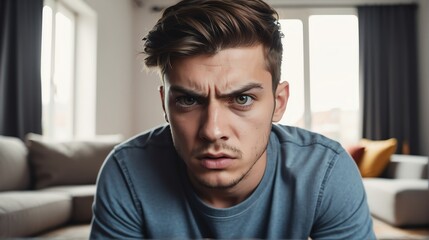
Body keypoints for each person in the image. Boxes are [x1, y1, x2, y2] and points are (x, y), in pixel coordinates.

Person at [90, 0, 376, 239]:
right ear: (165, 104)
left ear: (279, 103)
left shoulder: (326, 173)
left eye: (242, 99)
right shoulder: (126, 172)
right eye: (188, 100)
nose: (213, 131)